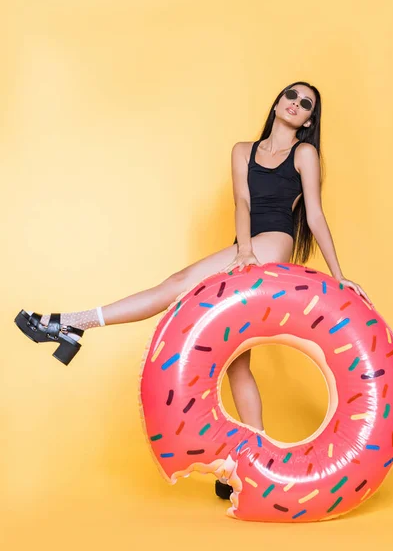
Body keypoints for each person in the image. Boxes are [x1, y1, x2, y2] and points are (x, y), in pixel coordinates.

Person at [14, 80, 373, 499]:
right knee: (237, 361)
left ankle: (71, 324)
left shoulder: (304, 153)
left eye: (305, 103)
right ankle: (249, 467)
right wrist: (242, 251)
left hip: (274, 244)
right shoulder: (243, 150)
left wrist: (338, 273)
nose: (295, 104)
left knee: (177, 285)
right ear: (276, 102)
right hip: (248, 249)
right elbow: (241, 201)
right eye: (290, 96)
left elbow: (314, 215)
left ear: (309, 119)